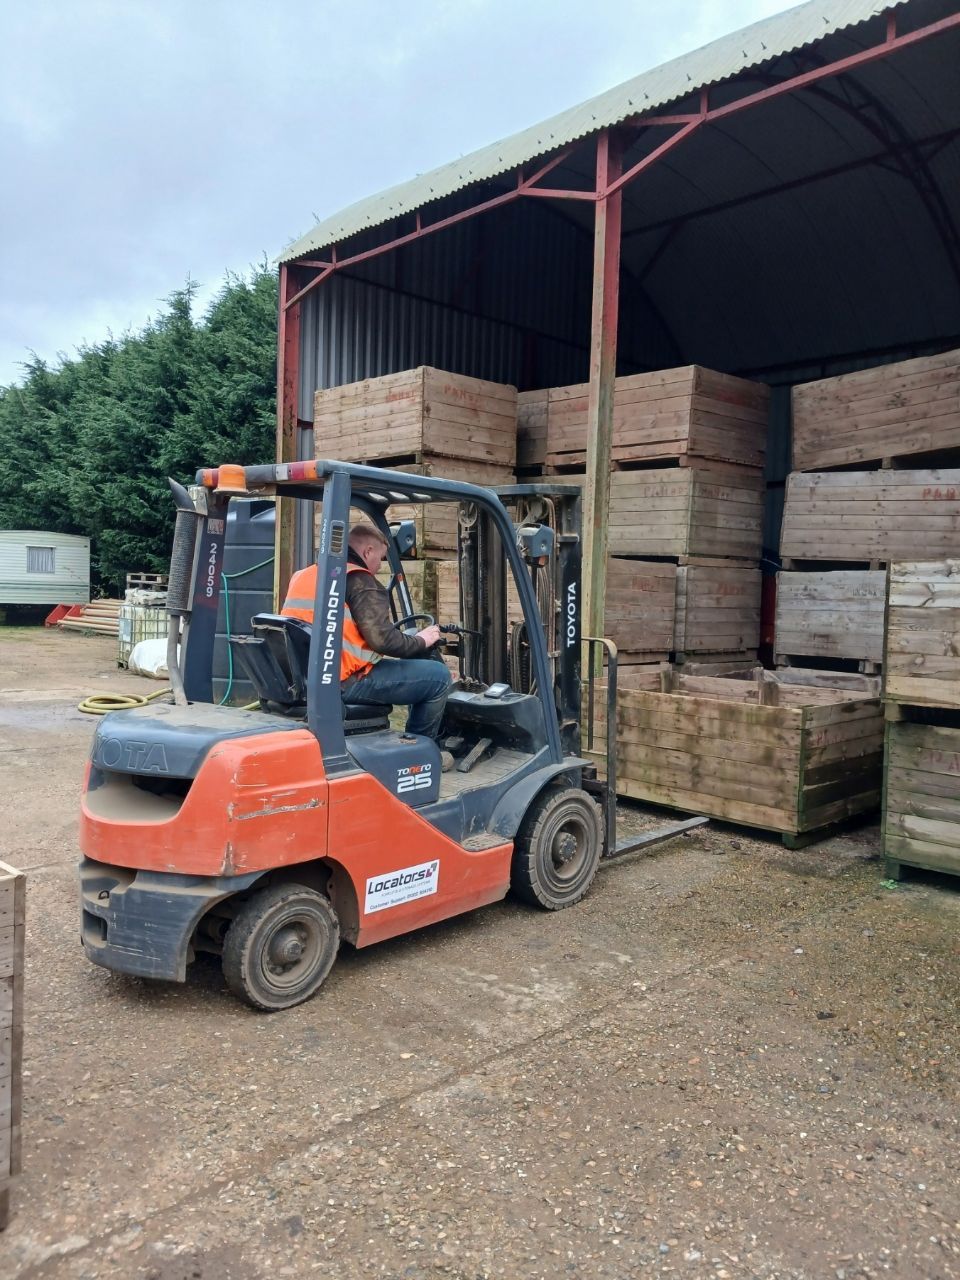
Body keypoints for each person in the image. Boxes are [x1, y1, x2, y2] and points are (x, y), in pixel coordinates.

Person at [282, 523, 453, 751]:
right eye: (381, 558)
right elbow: (383, 640)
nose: (379, 566)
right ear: (368, 552)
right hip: (344, 681)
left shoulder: (304, 575)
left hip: (305, 679)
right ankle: (419, 751)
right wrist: (421, 640)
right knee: (438, 678)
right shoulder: (359, 580)